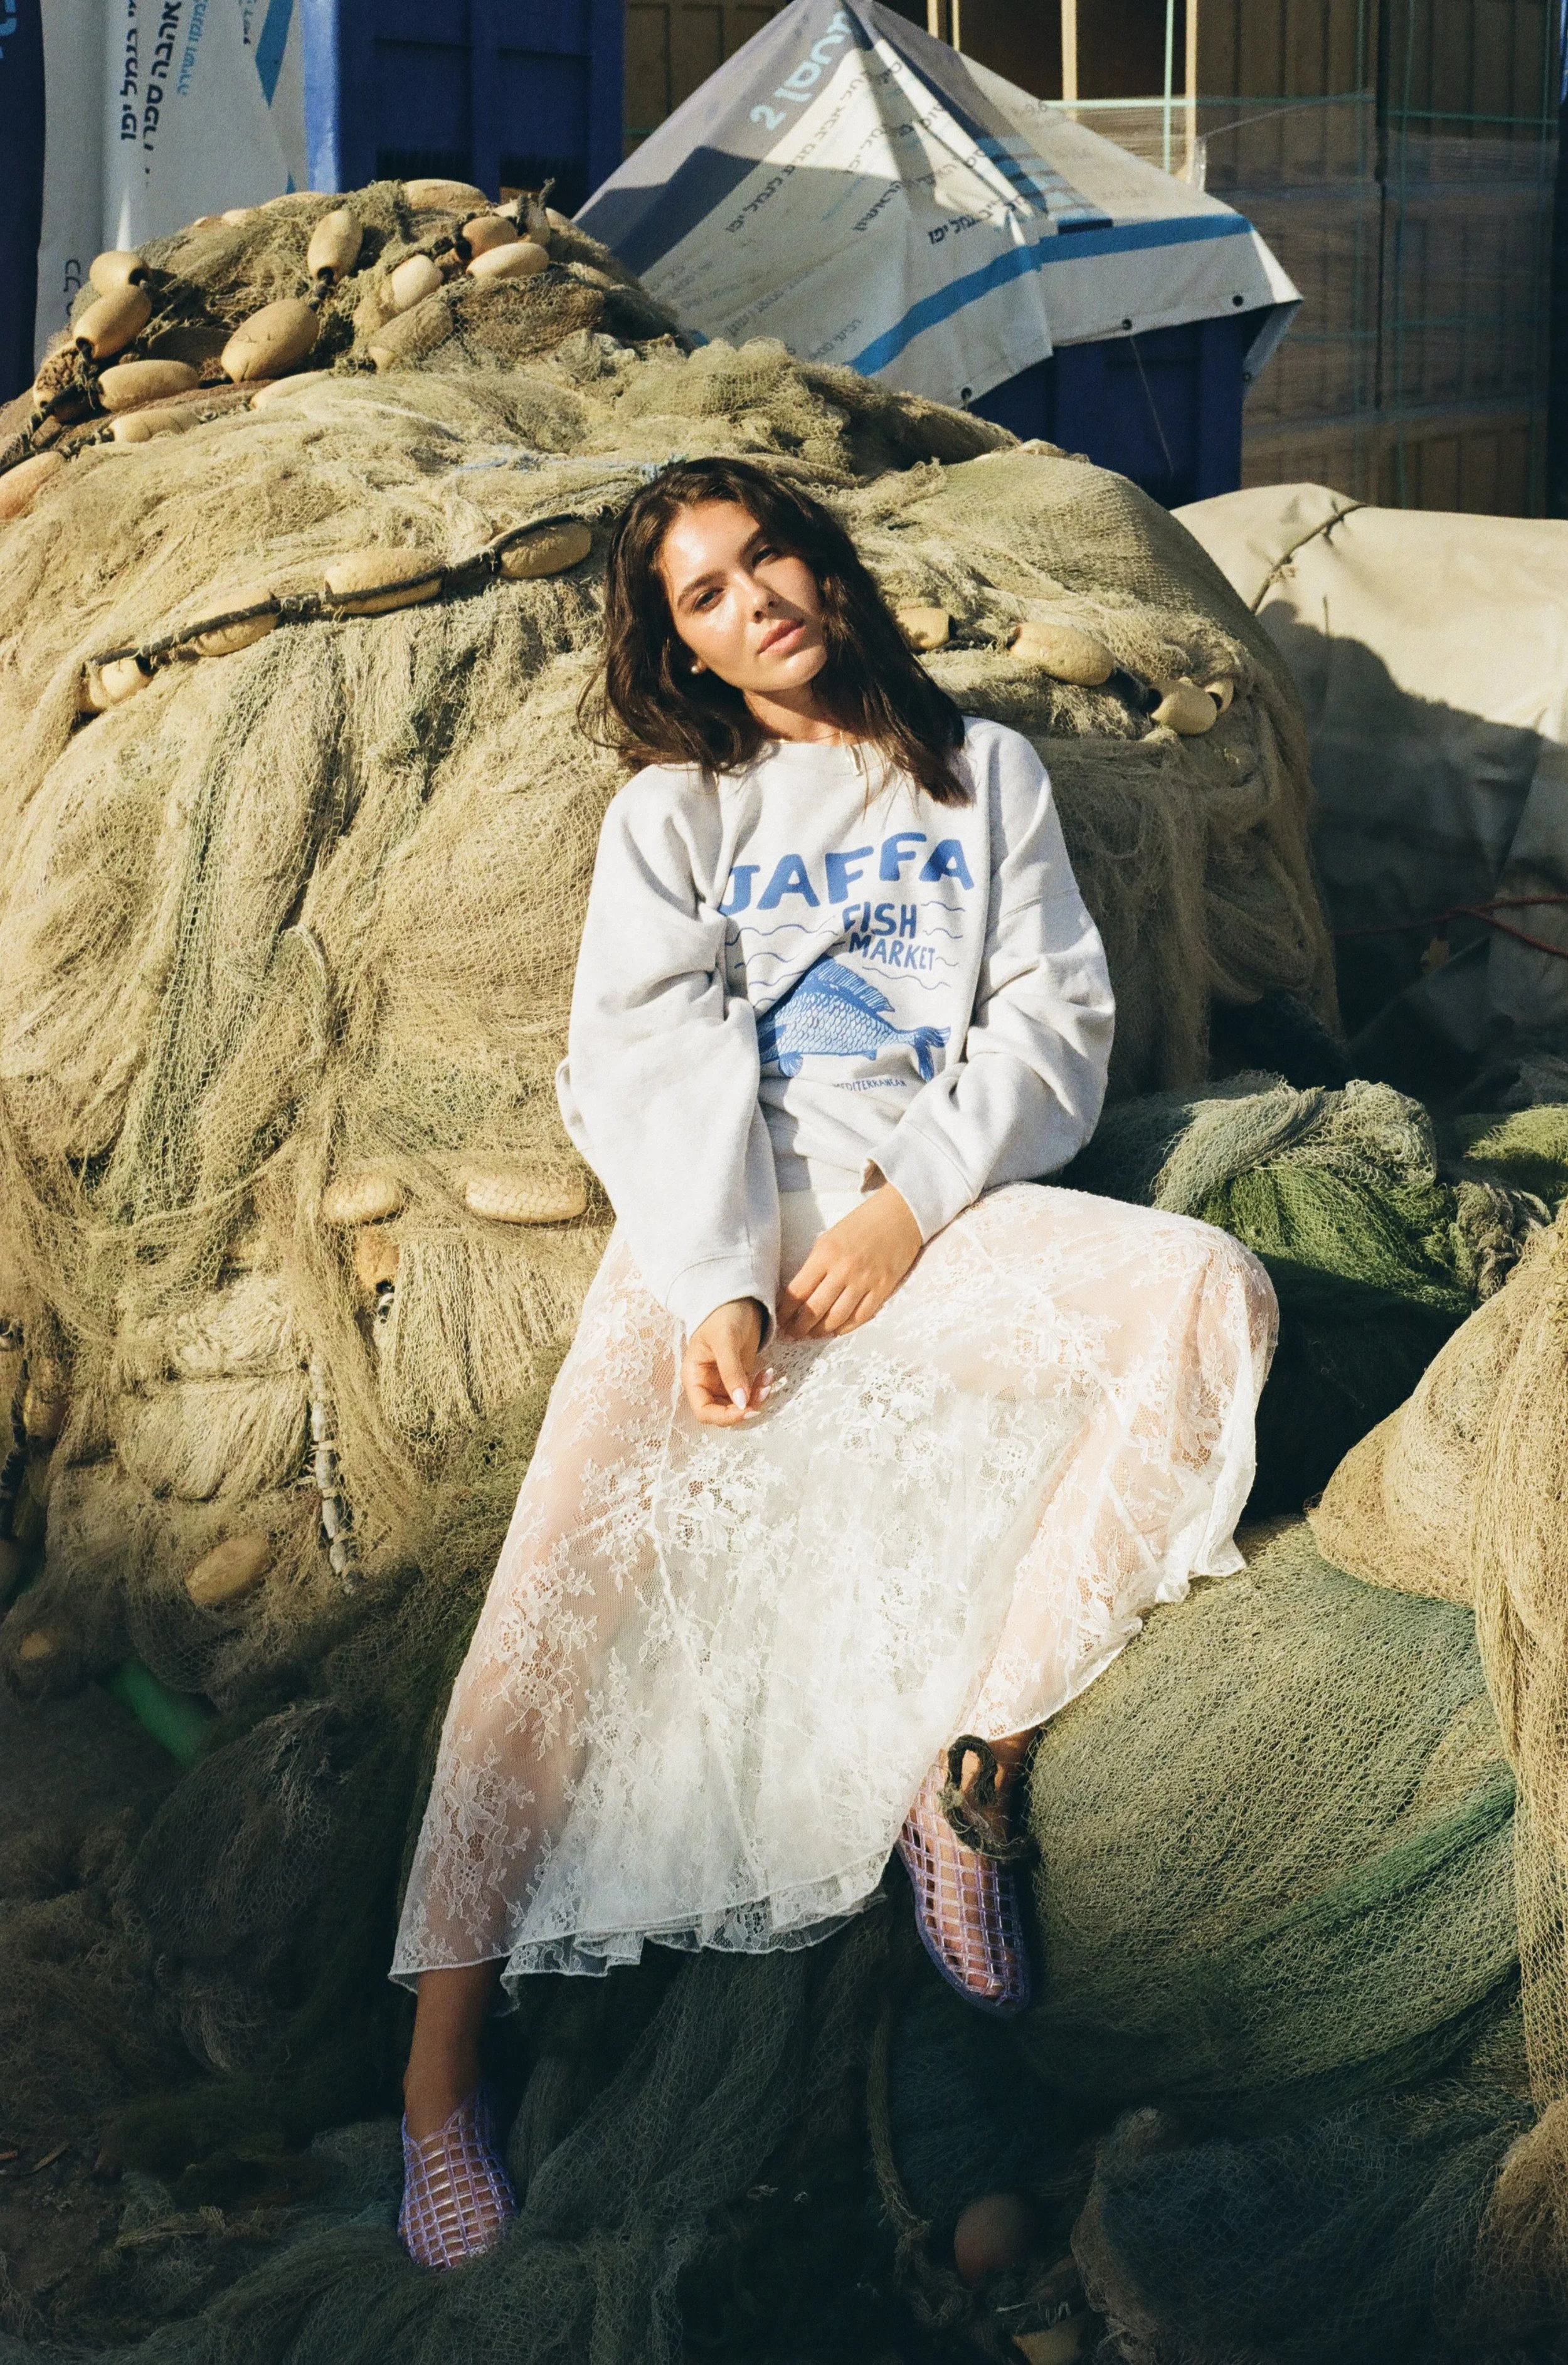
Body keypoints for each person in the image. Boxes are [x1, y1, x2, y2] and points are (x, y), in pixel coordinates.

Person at [391, 457, 1278, 2269]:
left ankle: (969, 1769)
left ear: (820, 556)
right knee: (546, 1626)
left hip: (921, 1227)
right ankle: (434, 2093)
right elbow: (644, 1064)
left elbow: (1050, 1019)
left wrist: (909, 1202)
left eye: (763, 555)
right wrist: (721, 1279)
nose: (752, 602)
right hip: (711, 1244)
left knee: (1203, 1289)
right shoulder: (678, 815)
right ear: (687, 651)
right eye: (703, 596)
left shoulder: (984, 775)